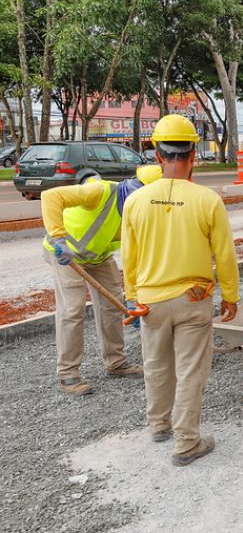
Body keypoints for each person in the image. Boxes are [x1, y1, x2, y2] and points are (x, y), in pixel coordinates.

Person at [121, 114, 240, 467]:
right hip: (193, 299)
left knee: (155, 364)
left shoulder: (136, 201)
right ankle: (186, 441)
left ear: (158, 155)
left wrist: (131, 296)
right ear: (193, 155)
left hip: (150, 301)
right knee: (190, 369)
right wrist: (230, 296)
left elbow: (129, 256)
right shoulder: (207, 200)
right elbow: (225, 254)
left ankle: (159, 425)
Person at [41, 165, 163, 395]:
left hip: (98, 258)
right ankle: (68, 375)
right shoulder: (100, 192)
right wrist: (59, 238)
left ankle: (116, 363)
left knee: (112, 304)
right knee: (72, 309)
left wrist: (132, 299)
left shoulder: (141, 214)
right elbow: (50, 196)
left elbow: (134, 259)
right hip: (64, 254)